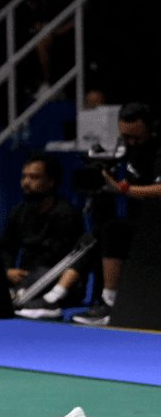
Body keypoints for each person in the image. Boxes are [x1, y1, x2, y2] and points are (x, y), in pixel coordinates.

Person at [73, 102, 161, 325]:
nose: (131, 142)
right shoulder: (131, 149)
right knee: (96, 235)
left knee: (113, 230)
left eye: (137, 138)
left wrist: (125, 189)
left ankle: (110, 304)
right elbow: (130, 183)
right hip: (141, 221)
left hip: (156, 224)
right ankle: (56, 296)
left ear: (151, 128)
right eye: (126, 137)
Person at [3, 153, 87, 319]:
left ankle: (20, 298)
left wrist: (26, 279)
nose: (26, 182)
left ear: (51, 182)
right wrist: (7, 271)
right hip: (24, 279)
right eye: (24, 177)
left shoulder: (66, 215)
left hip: (55, 282)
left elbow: (58, 262)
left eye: (34, 177)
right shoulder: (17, 212)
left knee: (43, 272)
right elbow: (7, 249)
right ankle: (16, 296)